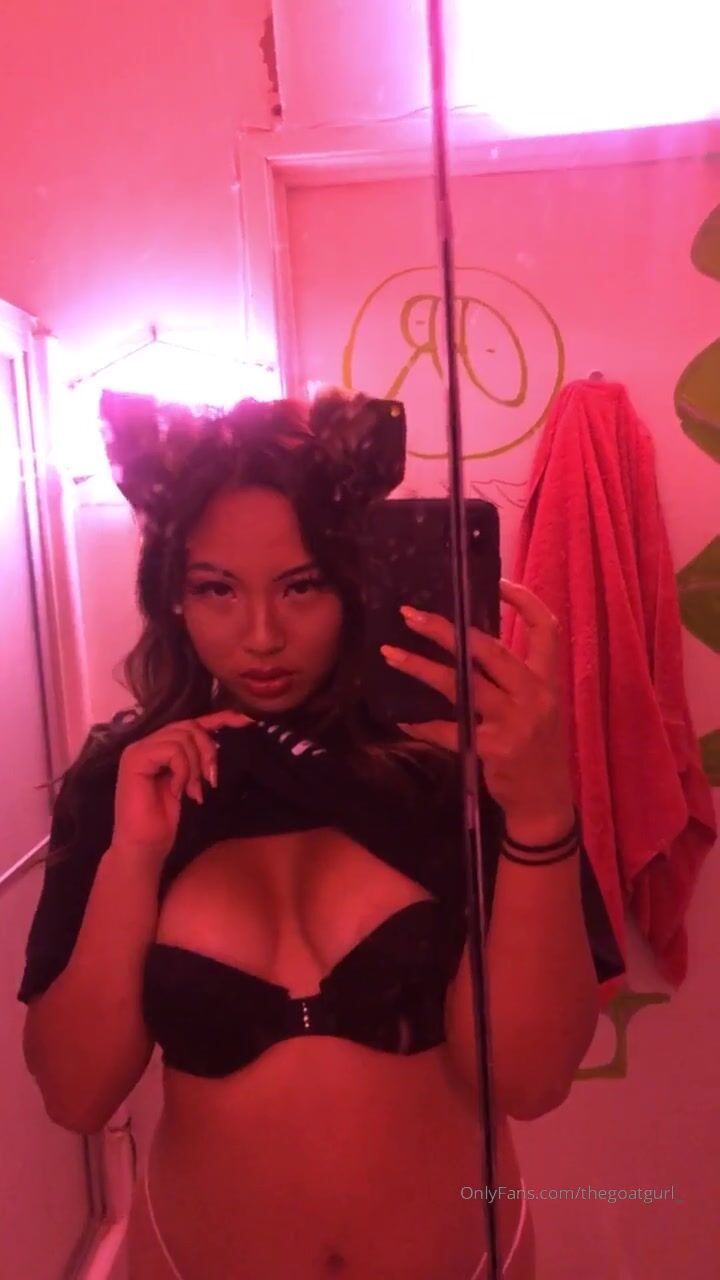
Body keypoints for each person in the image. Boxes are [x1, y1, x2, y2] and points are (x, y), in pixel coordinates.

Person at [18, 388, 605, 1279]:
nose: (262, 636)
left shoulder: (456, 765)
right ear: (173, 596)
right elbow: (75, 1094)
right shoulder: (129, 783)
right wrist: (133, 859)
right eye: (217, 588)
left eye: (302, 586)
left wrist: (541, 812)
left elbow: (531, 1080)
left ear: (354, 582)